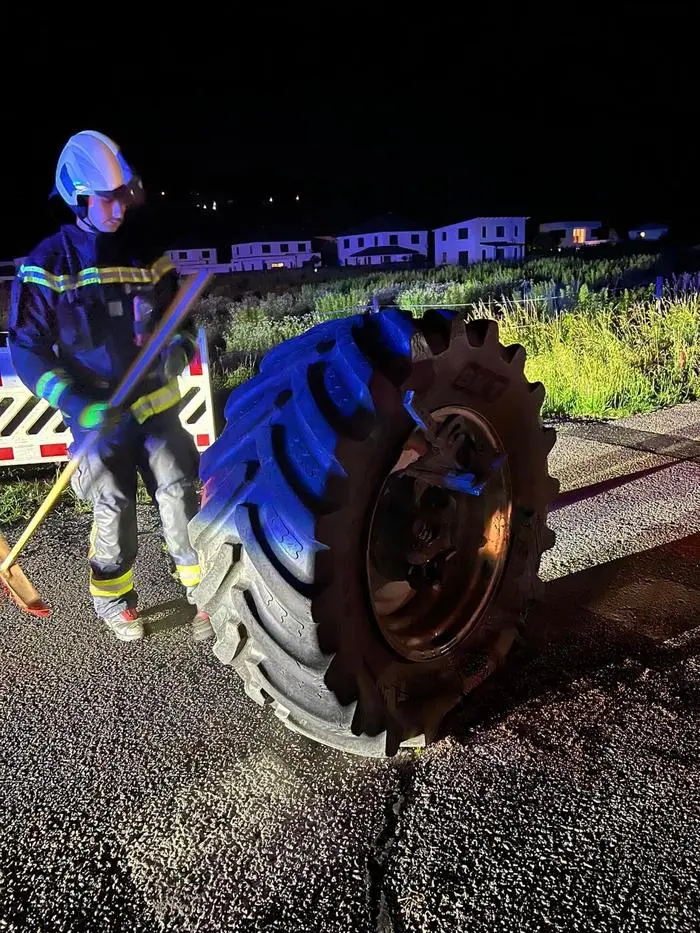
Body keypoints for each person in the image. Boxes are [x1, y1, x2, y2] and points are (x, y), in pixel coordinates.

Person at [8, 130, 214, 644]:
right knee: (113, 502)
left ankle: (203, 591)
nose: (120, 206)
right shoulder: (47, 265)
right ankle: (114, 601)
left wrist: (176, 353)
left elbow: (180, 324)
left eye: (124, 193)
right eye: (108, 196)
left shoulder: (147, 253)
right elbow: (28, 350)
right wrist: (78, 403)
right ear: (78, 195)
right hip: (96, 414)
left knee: (177, 492)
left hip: (155, 408)